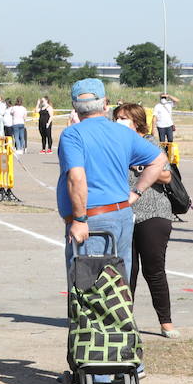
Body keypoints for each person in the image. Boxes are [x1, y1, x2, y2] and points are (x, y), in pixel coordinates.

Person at [56, 78, 164, 281]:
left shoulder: (73, 134)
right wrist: (136, 193)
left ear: (74, 106)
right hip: (121, 214)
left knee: (88, 285)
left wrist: (79, 220)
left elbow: (77, 177)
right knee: (118, 281)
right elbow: (159, 160)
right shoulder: (122, 132)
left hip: (93, 219)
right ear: (105, 104)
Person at [113, 103, 179, 338]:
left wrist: (139, 166)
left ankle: (166, 321)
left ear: (137, 122)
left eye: (124, 118)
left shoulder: (149, 143)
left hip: (153, 212)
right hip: (123, 213)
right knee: (125, 271)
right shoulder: (115, 143)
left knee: (154, 269)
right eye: (117, 118)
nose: (119, 121)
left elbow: (166, 175)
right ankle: (124, 320)